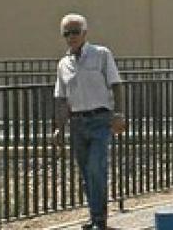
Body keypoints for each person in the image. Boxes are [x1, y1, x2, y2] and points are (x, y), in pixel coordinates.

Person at [52, 14, 127, 230]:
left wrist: (119, 114)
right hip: (77, 122)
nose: (71, 37)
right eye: (67, 33)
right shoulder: (63, 64)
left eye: (75, 32)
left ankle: (100, 220)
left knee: (96, 168)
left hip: (99, 119)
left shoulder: (101, 55)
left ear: (85, 33)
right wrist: (59, 127)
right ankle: (95, 216)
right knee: (86, 172)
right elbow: (61, 97)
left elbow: (116, 84)